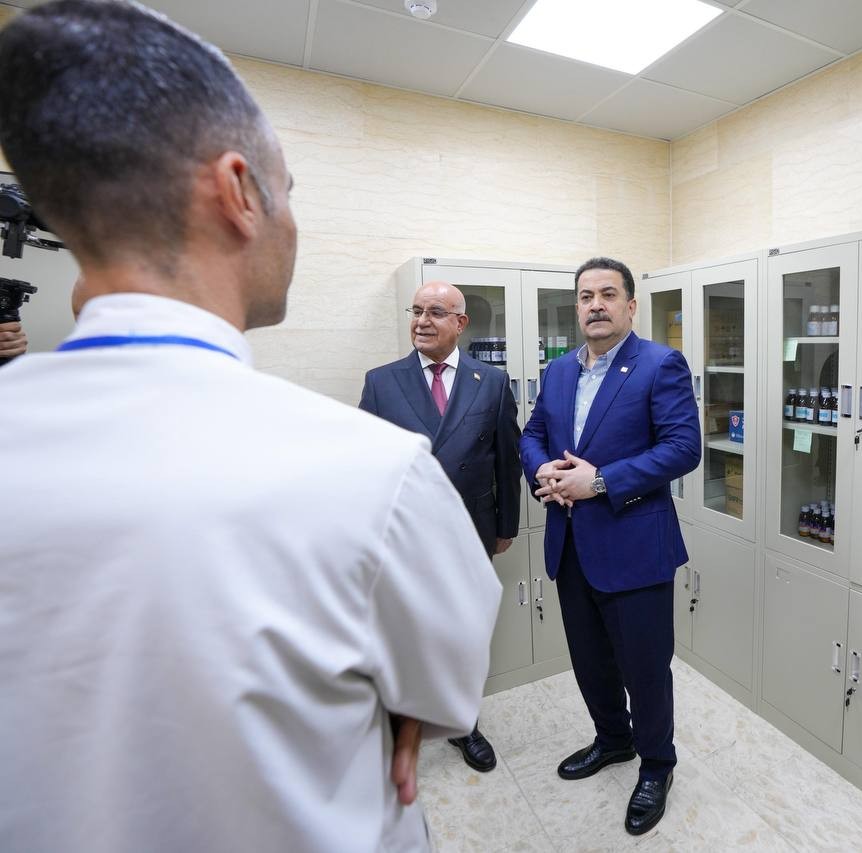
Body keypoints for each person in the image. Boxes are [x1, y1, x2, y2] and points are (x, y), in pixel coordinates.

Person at [0, 3, 500, 851]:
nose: (293, 224)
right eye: (289, 193)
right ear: (238, 193)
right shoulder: (371, 471)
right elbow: (445, 687)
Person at [519, 256, 700, 836]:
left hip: (635, 547)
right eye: (585, 296)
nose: (595, 305)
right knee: (590, 660)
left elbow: (683, 448)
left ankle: (657, 765)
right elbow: (533, 434)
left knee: (645, 668)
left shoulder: (659, 364)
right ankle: (613, 739)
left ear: (630, 305)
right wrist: (542, 468)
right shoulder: (558, 370)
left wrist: (599, 481)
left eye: (607, 294)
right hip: (571, 544)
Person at [359, 279, 522, 773]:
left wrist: (506, 525)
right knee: (406, 632)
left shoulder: (490, 381)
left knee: (463, 633)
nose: (422, 321)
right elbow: (366, 466)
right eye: (416, 311)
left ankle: (462, 723)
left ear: (460, 323)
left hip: (471, 529)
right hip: (405, 535)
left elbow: (507, 460)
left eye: (434, 312)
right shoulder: (382, 381)